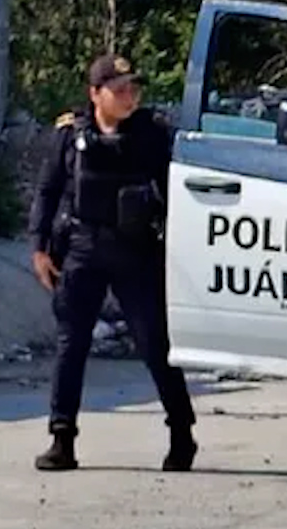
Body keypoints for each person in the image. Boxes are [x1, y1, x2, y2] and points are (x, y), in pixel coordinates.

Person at [27, 53, 198, 473]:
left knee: (154, 343)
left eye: (133, 89)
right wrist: (40, 247)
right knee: (72, 343)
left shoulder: (151, 135)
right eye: (119, 90)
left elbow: (177, 191)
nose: (129, 97)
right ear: (95, 93)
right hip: (83, 248)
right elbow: (48, 191)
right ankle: (61, 437)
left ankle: (182, 434)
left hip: (135, 250)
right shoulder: (71, 135)